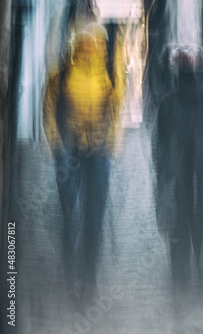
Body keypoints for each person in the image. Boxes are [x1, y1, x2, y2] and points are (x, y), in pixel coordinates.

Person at [43, 25, 122, 303]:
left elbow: (116, 111)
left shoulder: (108, 75)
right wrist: (57, 147)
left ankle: (89, 278)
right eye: (85, 43)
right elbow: (49, 109)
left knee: (94, 217)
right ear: (77, 46)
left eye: (95, 43)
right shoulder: (61, 75)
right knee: (71, 215)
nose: (90, 47)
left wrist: (112, 143)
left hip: (98, 155)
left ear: (101, 46)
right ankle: (70, 275)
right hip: (70, 153)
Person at [154, 46, 203, 288]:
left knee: (199, 224)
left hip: (198, 173)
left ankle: (193, 275)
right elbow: (161, 144)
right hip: (186, 175)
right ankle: (188, 276)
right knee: (189, 223)